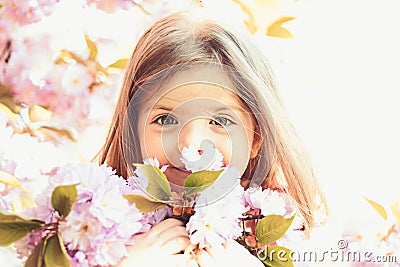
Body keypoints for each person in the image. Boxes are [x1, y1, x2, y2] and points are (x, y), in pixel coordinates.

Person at [99, 8, 327, 267]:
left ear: (256, 138)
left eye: (220, 121)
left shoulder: (297, 244)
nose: (192, 145)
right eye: (165, 119)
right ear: (132, 132)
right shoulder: (94, 237)